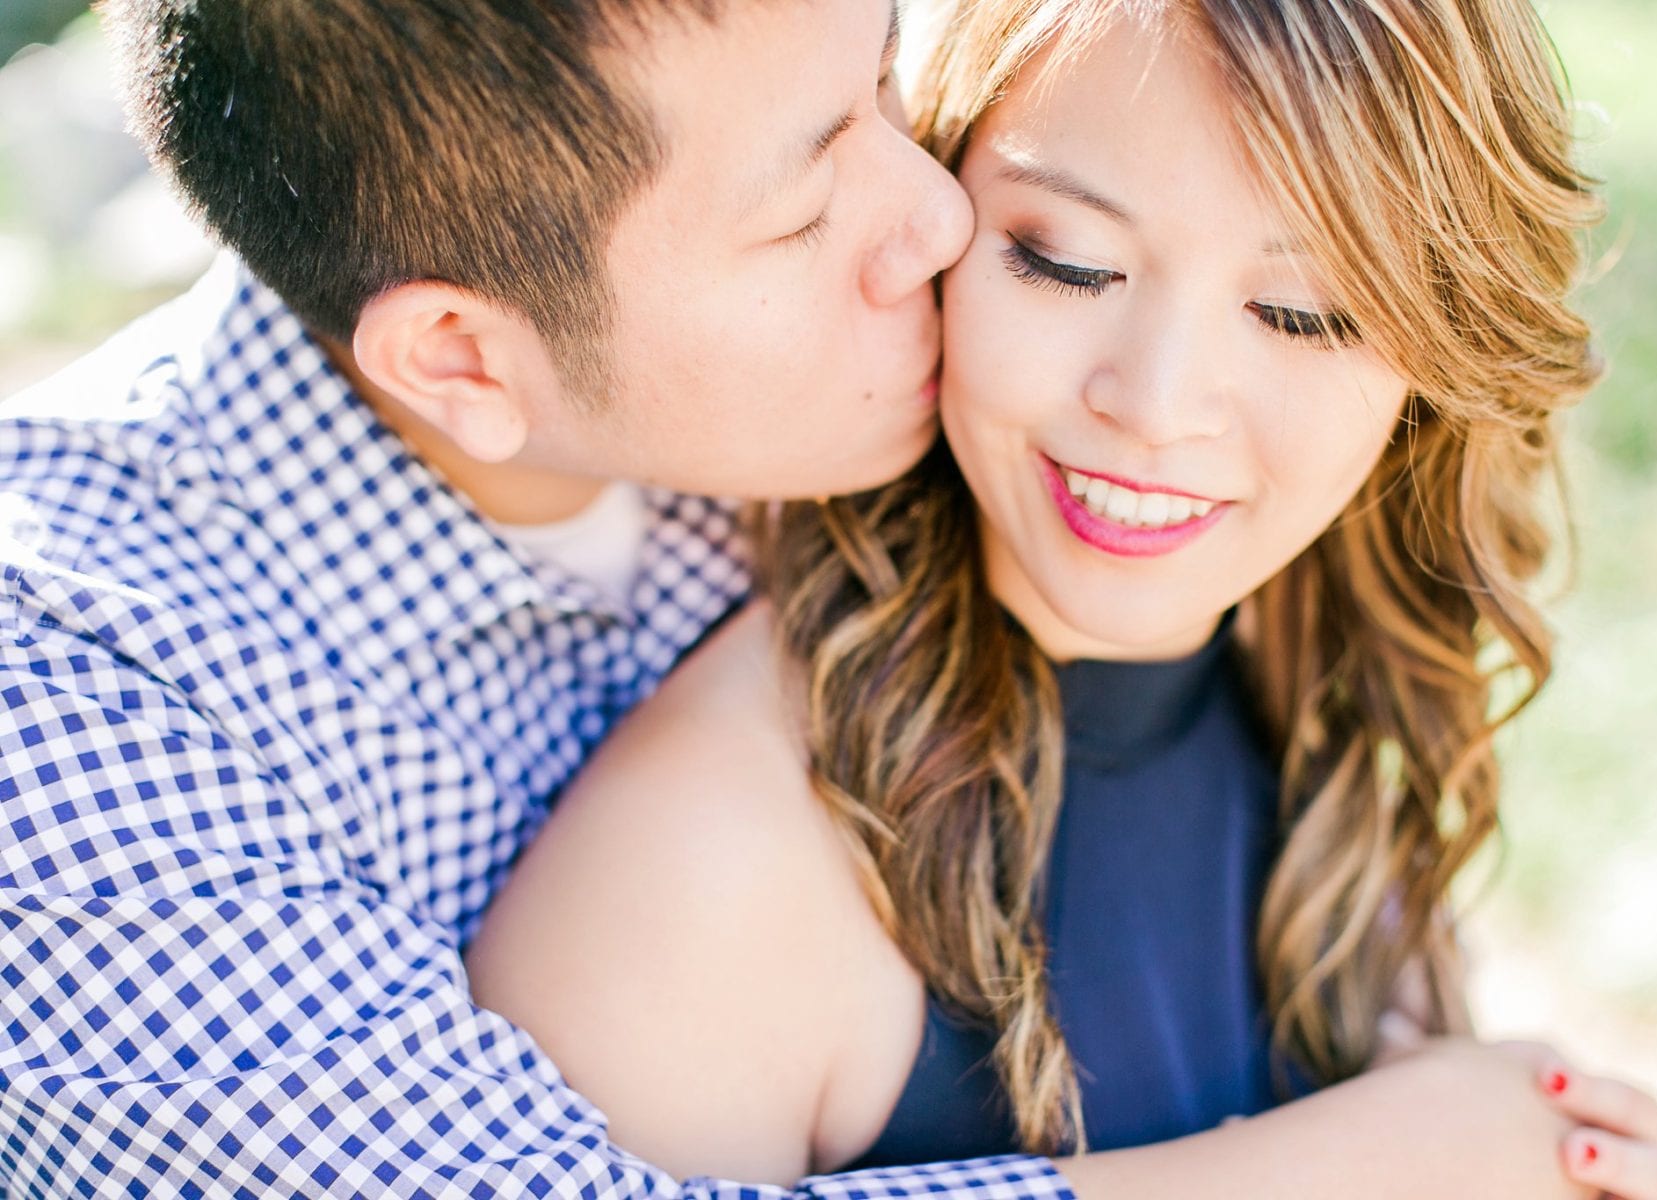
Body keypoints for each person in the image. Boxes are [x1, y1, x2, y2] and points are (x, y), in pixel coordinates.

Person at [466, 1, 1657, 1198]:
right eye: (1067, 264)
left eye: (1303, 312)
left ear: (1438, 356)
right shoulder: (703, 872)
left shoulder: (1319, 662)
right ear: (938, 209)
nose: (1155, 405)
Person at [0, 1, 1115, 1196]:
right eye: (803, 218)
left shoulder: (825, 364)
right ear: (460, 360)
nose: (943, 217)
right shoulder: (74, 710)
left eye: (888, 69)